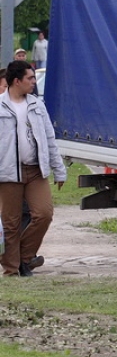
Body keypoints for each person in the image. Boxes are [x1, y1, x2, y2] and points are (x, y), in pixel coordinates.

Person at [0, 60, 66, 277]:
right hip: (9, 173)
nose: (33, 82)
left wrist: (59, 169)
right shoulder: (1, 105)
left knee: (44, 213)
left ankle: (24, 257)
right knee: (11, 224)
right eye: (29, 78)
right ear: (16, 81)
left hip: (36, 170)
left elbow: (49, 138)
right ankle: (11, 270)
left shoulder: (37, 105)